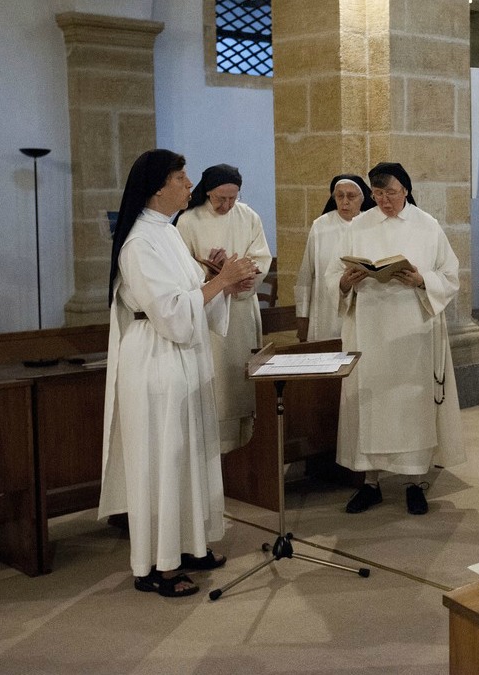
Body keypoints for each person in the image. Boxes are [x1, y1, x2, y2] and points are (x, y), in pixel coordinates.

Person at [98, 149, 258, 597]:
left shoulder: (165, 233)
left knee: (190, 455)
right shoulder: (138, 243)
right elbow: (168, 311)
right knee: (164, 460)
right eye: (182, 178)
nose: (190, 186)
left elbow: (191, 292)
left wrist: (217, 276)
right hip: (156, 359)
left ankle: (190, 546)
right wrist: (220, 281)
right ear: (157, 187)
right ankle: (158, 566)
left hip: (182, 357)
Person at [334, 162, 464, 516]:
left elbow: (450, 276)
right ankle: (370, 483)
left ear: (405, 189)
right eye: (377, 194)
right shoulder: (359, 225)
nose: (384, 201)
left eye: (390, 193)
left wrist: (422, 280)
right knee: (371, 403)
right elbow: (337, 276)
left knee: (411, 406)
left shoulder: (427, 225)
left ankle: (414, 483)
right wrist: (347, 282)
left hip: (412, 329)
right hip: (369, 327)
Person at [176, 163, 272, 453]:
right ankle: (217, 452)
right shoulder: (189, 221)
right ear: (207, 193)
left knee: (242, 382)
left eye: (233, 198)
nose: (227, 205)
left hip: (242, 310)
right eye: (220, 199)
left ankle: (246, 447)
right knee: (218, 385)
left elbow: (262, 257)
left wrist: (247, 276)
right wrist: (212, 273)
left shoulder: (249, 216)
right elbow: (182, 266)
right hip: (210, 313)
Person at [295, 174, 375, 341]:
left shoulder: (371, 225)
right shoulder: (320, 226)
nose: (345, 201)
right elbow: (306, 273)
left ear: (362, 198)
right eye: (340, 196)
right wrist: (302, 316)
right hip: (324, 313)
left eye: (351, 196)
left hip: (362, 309)